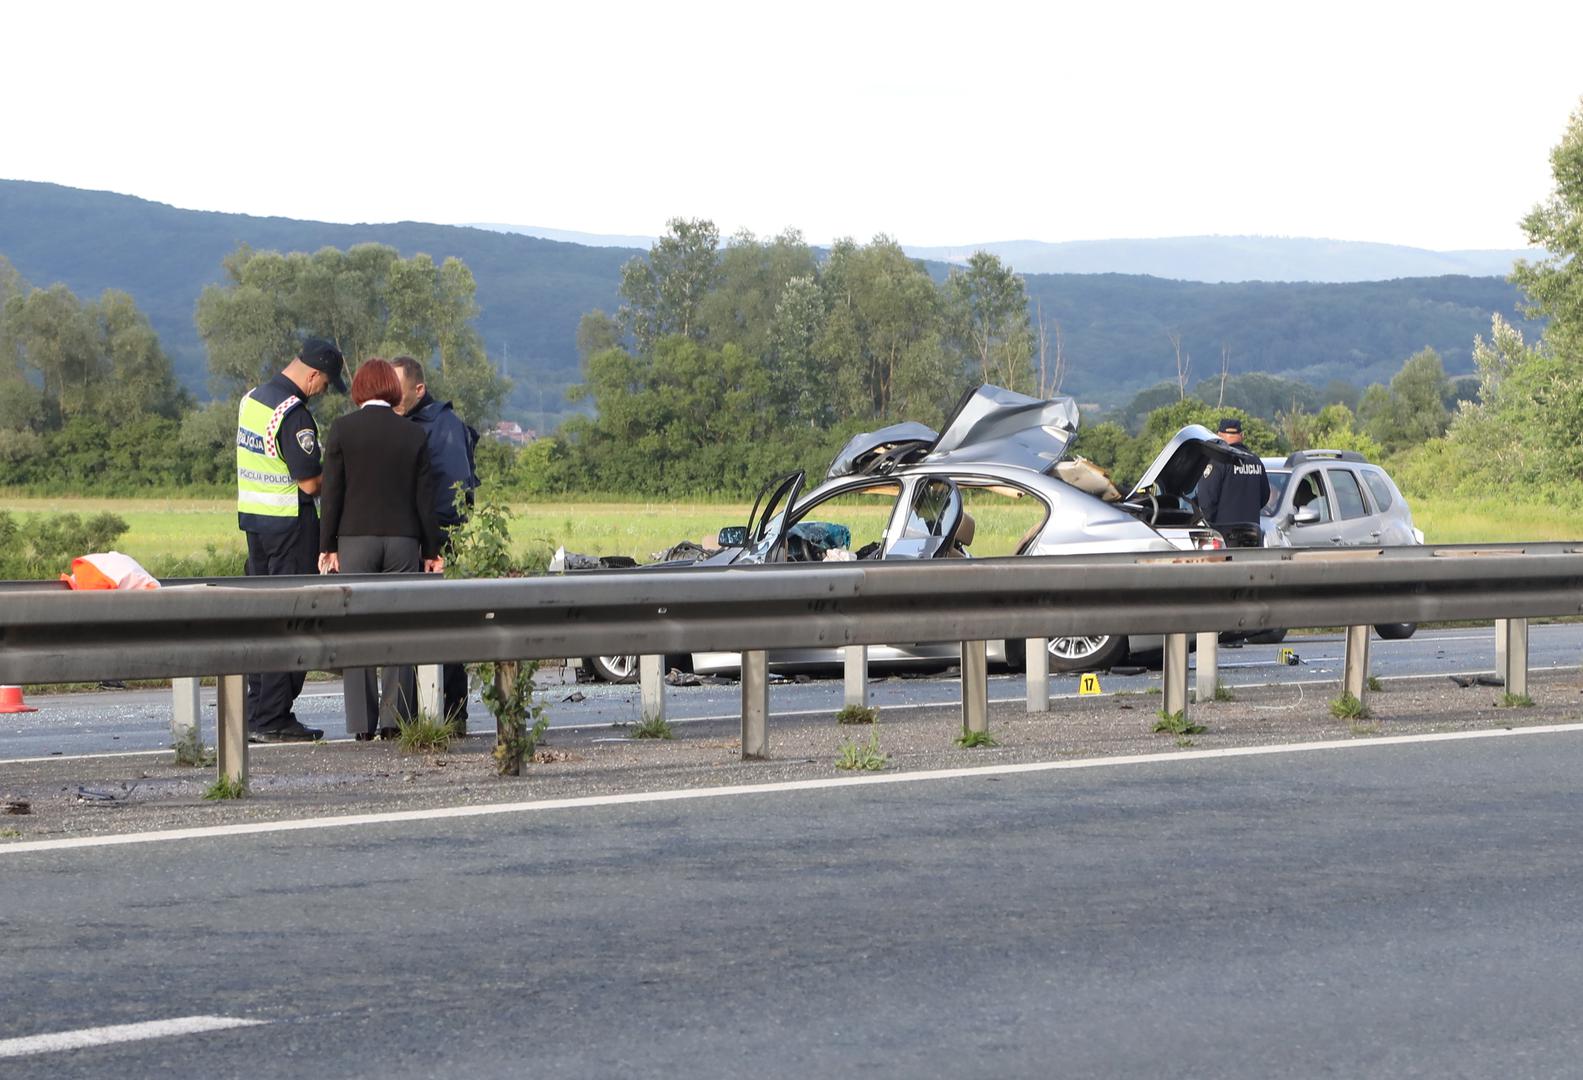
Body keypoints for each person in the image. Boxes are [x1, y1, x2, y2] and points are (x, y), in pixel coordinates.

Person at [318, 358, 445, 740]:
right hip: (404, 541)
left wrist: (327, 546)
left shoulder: (342, 429)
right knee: (398, 628)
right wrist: (431, 549)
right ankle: (394, 720)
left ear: (358, 389)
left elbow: (332, 493)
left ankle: (361, 725)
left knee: (357, 629)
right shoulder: (412, 434)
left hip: (355, 540)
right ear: (391, 388)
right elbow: (425, 498)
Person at [236, 337, 346, 743]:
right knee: (293, 621)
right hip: (289, 525)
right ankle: (273, 717)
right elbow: (310, 480)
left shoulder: (253, 399)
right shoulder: (294, 414)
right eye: (325, 384)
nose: (322, 392)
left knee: (265, 622)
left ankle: (255, 711)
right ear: (314, 374)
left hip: (256, 524)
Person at [391, 355, 479, 732]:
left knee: (441, 624)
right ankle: (438, 713)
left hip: (437, 538)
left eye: (398, 391)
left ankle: (451, 714)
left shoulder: (437, 426)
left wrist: (434, 543)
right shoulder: (430, 421)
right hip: (430, 534)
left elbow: (451, 492)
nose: (393, 399)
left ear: (419, 389)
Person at [1197, 416, 1270, 548]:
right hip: (1252, 535)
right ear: (1242, 435)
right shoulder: (1255, 461)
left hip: (1224, 538)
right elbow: (1265, 496)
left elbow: (1206, 500)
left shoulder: (1219, 461)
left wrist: (1207, 525)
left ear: (1219, 435)